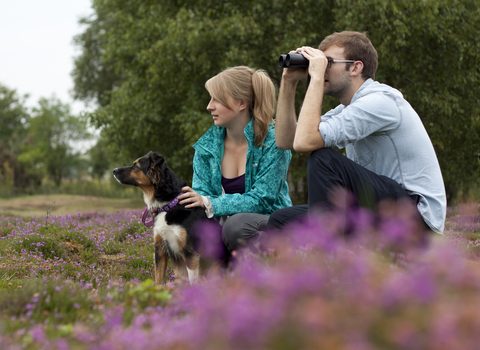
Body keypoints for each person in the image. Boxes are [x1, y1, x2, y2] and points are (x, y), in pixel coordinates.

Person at [270, 31, 446, 235]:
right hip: (379, 207)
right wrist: (289, 82)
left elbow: (305, 142)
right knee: (281, 219)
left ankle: (329, 255)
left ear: (355, 67)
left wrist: (316, 78)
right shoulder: (348, 109)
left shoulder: (380, 102)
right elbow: (287, 140)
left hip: (415, 218)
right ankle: (320, 255)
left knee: (324, 159)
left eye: (327, 62)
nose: (319, 68)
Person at [178, 66, 292, 251]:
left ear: (241, 103)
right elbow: (201, 198)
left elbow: (261, 200)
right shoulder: (206, 147)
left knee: (237, 226)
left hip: (268, 224)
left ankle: (275, 268)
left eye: (217, 99)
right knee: (198, 228)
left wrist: (210, 203)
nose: (209, 106)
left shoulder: (274, 142)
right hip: (227, 230)